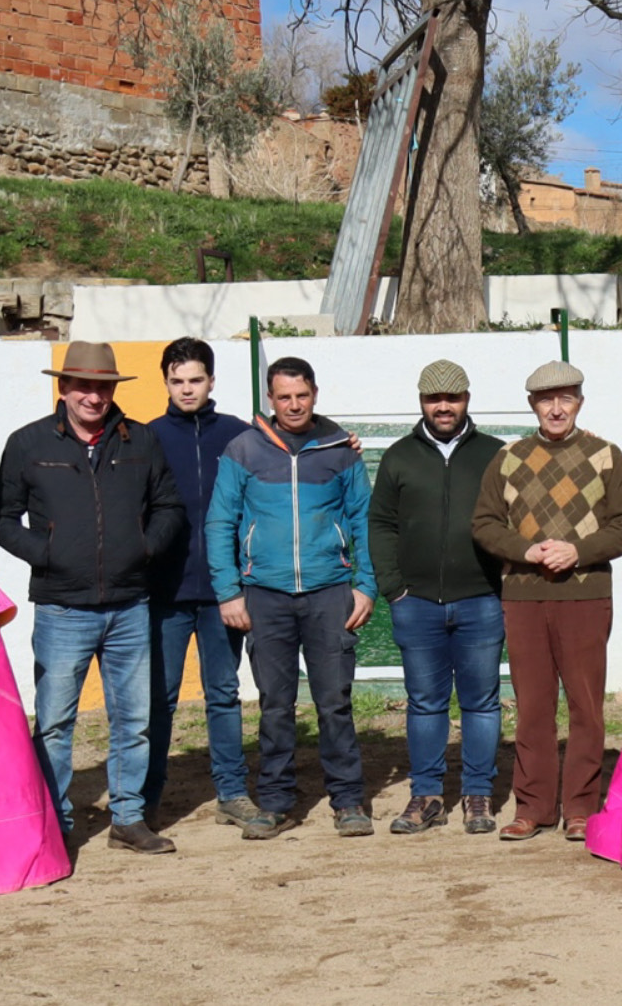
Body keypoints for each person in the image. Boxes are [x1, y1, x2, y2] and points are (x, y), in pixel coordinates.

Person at [0, 341, 187, 854]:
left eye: (102, 386)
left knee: (134, 720)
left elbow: (169, 507)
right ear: (64, 387)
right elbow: (1, 519)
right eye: (83, 385)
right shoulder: (29, 443)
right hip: (61, 606)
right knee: (55, 722)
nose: (93, 396)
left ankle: (127, 818)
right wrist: (47, 552)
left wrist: (143, 549)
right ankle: (51, 821)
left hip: (129, 604)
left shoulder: (140, 441)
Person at [205, 356, 378, 840]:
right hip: (265, 595)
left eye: (302, 395)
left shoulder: (340, 448)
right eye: (284, 397)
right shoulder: (243, 450)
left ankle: (348, 801)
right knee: (275, 705)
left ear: (315, 394)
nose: (294, 405)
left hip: (329, 591)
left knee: (334, 703)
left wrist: (365, 584)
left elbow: (363, 519)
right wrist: (228, 591)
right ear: (271, 399)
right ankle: (277, 802)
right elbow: (221, 521)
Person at [471, 361, 622, 843]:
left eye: (566, 398)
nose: (556, 407)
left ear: (579, 402)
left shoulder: (606, 456)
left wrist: (578, 551)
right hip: (524, 595)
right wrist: (524, 551)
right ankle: (533, 807)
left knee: (586, 705)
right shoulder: (508, 458)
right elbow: (484, 523)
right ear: (533, 405)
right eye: (547, 399)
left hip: (585, 595)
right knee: (533, 705)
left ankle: (581, 808)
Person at [370, 359, 508, 836]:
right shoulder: (399, 457)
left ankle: (477, 794)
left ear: (467, 399)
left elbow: (515, 521)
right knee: (425, 703)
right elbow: (381, 524)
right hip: (418, 602)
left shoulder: (495, 453)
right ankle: (426, 796)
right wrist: (395, 589)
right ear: (421, 400)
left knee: (481, 703)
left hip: (481, 599)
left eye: (453, 397)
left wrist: (502, 582)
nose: (444, 406)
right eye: (434, 398)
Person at [138, 337, 263, 835]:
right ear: (165, 382)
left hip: (223, 592)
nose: (186, 389)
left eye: (195, 380)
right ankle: (146, 797)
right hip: (164, 592)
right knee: (159, 699)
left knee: (223, 693)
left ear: (211, 381)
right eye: (177, 381)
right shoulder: (144, 437)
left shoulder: (239, 435)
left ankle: (231, 793)